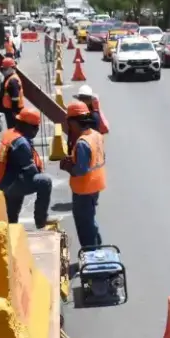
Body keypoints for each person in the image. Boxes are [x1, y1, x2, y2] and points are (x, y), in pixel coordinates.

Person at [0, 106, 52, 227]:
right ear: (26, 125)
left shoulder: (11, 133)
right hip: (9, 184)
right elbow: (31, 172)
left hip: (3, 181)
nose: (37, 130)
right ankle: (41, 220)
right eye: (35, 127)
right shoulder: (21, 143)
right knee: (45, 182)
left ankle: (11, 226)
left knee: (12, 215)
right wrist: (38, 170)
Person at [59, 101, 106, 247]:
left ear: (74, 122)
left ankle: (91, 254)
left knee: (84, 223)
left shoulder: (82, 143)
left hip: (84, 189)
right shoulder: (96, 135)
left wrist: (68, 167)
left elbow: (80, 170)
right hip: (95, 185)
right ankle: (96, 245)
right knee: (89, 219)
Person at [0, 57, 24, 129]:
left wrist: (14, 112)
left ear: (12, 68)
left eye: (5, 69)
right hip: (11, 110)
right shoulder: (9, 78)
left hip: (13, 110)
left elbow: (15, 97)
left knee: (14, 129)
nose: (3, 71)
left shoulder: (13, 80)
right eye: (3, 69)